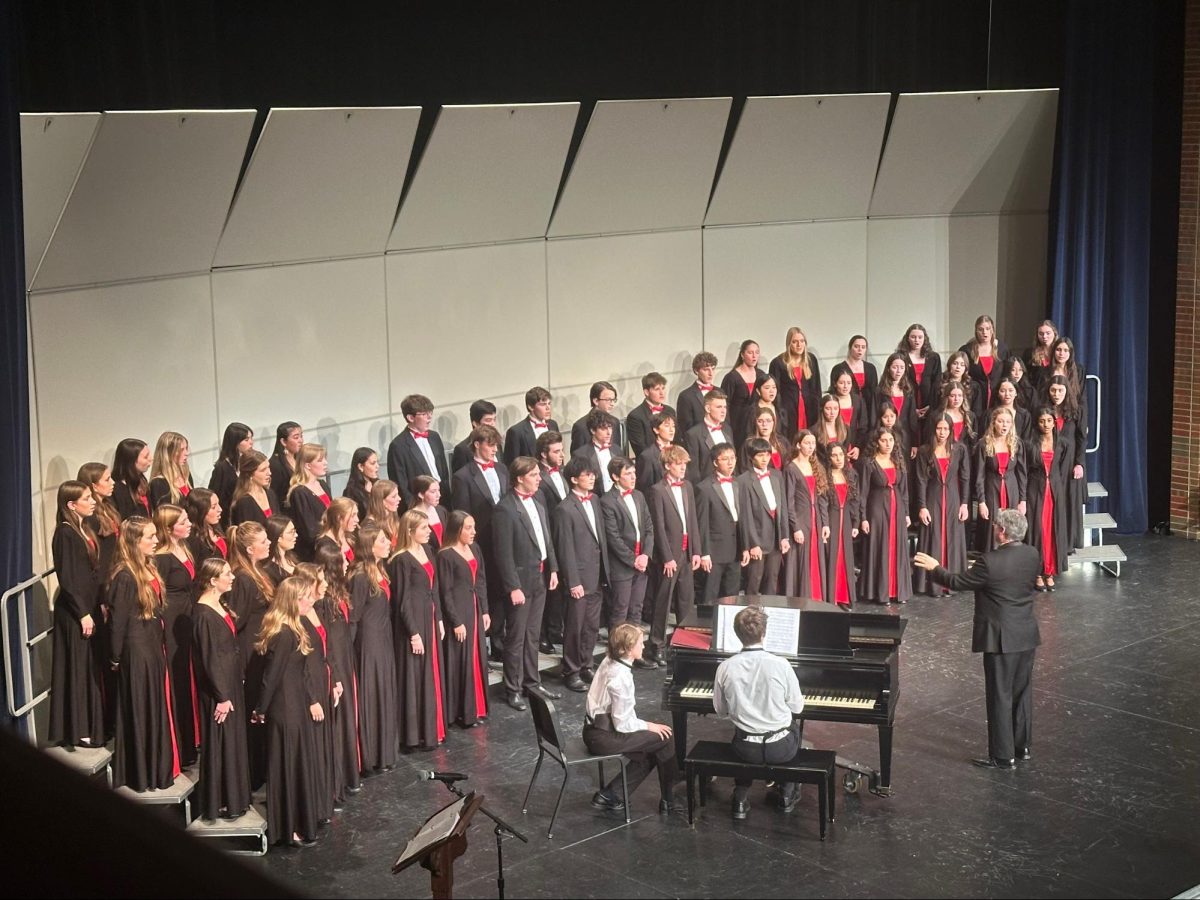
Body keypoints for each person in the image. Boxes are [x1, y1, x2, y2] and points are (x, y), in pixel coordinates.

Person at [914, 509, 1040, 769]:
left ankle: (1003, 756)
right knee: (1021, 692)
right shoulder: (1032, 554)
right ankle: (1022, 747)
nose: (993, 529)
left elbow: (957, 582)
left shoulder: (990, 561)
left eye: (995, 526)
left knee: (1000, 695)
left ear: (1002, 531)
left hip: (1001, 638)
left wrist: (935, 568)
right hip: (1026, 634)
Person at [108, 517, 180, 791]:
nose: (155, 540)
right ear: (134, 541)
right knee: (141, 707)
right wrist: (115, 656)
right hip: (136, 651)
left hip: (152, 646)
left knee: (155, 707)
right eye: (149, 537)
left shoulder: (148, 567)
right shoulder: (125, 576)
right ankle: (143, 773)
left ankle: (158, 769)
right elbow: (118, 622)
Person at [713, 606, 805, 820]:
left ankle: (740, 797)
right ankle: (787, 793)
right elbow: (797, 708)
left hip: (745, 749)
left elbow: (721, 711)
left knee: (740, 732)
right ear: (764, 633)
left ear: (737, 634)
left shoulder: (725, 667)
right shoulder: (781, 665)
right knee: (795, 729)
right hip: (781, 749)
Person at [253, 576, 323, 847]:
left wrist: (311, 699)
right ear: (293, 600)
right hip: (284, 709)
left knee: (296, 763)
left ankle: (298, 822)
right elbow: (271, 677)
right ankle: (288, 827)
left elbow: (301, 673)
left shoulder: (295, 628)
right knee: (287, 764)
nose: (310, 601)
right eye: (305, 597)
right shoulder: (282, 633)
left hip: (295, 705)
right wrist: (261, 709)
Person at [584, 623, 680, 814]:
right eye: (640, 643)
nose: (643, 646)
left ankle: (612, 794)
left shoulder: (609, 659)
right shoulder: (620, 678)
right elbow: (623, 724)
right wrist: (649, 725)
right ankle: (669, 800)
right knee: (665, 737)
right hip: (604, 736)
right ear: (627, 649)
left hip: (594, 730)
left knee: (654, 744)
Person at [492, 457, 561, 710]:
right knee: (517, 637)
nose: (539, 479)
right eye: (533, 475)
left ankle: (532, 682)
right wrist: (513, 587)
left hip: (539, 577)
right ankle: (513, 688)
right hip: (520, 582)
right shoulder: (505, 509)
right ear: (519, 478)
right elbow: (503, 553)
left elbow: (546, 540)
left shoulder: (538, 502)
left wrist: (553, 568)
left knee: (532, 635)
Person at [191, 558, 251, 822]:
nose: (232, 577)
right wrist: (222, 696)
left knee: (232, 741)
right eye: (227, 574)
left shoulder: (218, 604)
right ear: (213, 580)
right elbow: (209, 658)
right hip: (219, 690)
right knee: (220, 742)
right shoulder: (203, 614)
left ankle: (235, 799)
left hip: (229, 683)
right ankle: (220, 801)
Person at [48, 481, 104, 750]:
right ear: (71, 505)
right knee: (77, 667)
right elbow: (68, 577)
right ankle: (78, 729)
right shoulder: (65, 533)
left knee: (88, 666)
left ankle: (90, 724)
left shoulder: (84, 528)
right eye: (87, 498)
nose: (93, 501)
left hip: (89, 608)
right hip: (74, 613)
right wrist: (82, 613)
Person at [388, 510, 447, 750]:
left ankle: (433, 730)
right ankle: (415, 736)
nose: (429, 531)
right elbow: (402, 601)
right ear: (410, 531)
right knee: (415, 678)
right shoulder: (401, 560)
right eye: (423, 528)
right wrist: (413, 633)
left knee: (430, 675)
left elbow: (435, 589)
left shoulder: (428, 551)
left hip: (429, 619)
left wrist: (439, 618)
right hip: (413, 624)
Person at [551, 456, 610, 693]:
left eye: (593, 474)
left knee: (591, 626)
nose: (592, 477)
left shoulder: (594, 500)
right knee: (575, 627)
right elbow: (564, 548)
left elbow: (599, 538)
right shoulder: (564, 509)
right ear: (574, 479)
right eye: (587, 474)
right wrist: (572, 581)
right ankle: (571, 670)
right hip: (579, 578)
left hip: (596, 574)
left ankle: (586, 664)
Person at [451, 425, 508, 660]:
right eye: (490, 445)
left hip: (504, 541)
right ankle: (486, 644)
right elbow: (463, 515)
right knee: (487, 591)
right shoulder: (463, 476)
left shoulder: (502, 469)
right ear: (477, 444)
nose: (494, 450)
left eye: (496, 445)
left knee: (502, 591)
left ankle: (500, 641)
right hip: (481, 542)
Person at [347, 523, 398, 777]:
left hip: (383, 637)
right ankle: (371, 755)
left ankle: (384, 753)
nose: (388, 544)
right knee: (372, 693)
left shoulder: (380, 569)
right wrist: (349, 654)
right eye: (382, 541)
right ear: (369, 546)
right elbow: (353, 617)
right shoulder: (359, 576)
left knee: (384, 692)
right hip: (368, 643)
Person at [644, 446, 701, 666]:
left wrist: (696, 551)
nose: (683, 467)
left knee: (686, 599)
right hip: (668, 555)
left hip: (686, 552)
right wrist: (667, 557)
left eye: (685, 463)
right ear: (668, 465)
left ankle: (684, 642)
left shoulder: (687, 486)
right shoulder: (657, 490)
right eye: (679, 464)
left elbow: (692, 521)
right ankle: (656, 645)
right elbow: (658, 526)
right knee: (663, 601)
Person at [152, 504, 198, 767]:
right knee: (177, 679)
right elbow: (158, 596)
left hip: (186, 620)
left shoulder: (184, 548)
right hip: (171, 623)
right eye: (183, 522)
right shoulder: (162, 558)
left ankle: (192, 741)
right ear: (169, 529)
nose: (189, 524)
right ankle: (181, 746)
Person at [437, 511, 491, 728]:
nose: (473, 532)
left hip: (474, 610)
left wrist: (485, 610)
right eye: (468, 528)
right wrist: (456, 621)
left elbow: (481, 581)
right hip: (459, 613)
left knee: (476, 657)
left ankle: (478, 708)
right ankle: (463, 712)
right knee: (462, 660)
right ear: (457, 529)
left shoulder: (475, 548)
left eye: (473, 527)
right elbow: (445, 592)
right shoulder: (445, 556)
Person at [600, 457, 654, 647]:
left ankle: (634, 650)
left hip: (642, 562)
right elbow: (613, 537)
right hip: (622, 565)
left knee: (636, 609)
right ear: (615, 477)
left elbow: (649, 528)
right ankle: (616, 651)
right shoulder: (607, 501)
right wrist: (633, 560)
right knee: (620, 611)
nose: (633, 477)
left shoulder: (639, 495)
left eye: (634, 473)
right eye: (628, 474)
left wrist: (646, 555)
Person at [913, 417, 970, 597]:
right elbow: (920, 480)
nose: (942, 432)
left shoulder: (959, 449)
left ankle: (951, 582)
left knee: (953, 537)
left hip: (953, 499)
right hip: (933, 498)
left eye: (946, 429)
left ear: (951, 430)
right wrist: (922, 506)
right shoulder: (924, 451)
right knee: (933, 536)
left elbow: (965, 477)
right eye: (939, 428)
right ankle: (933, 585)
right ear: (933, 429)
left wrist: (964, 503)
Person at [858, 428, 912, 605]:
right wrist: (863, 517)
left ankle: (897, 591)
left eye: (890, 440)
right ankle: (881, 592)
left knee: (897, 548)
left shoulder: (898, 460)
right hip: (877, 510)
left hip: (897, 509)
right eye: (883, 440)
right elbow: (862, 492)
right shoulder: (869, 463)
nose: (888, 444)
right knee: (880, 547)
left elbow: (904, 490)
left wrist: (906, 513)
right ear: (876, 442)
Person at [1024, 408, 1071, 591]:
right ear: (1037, 423)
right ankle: (1037, 573)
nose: (1046, 424)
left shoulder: (1063, 443)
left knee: (1052, 531)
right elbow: (1026, 470)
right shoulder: (1029, 444)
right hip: (1035, 491)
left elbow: (1063, 471)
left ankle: (1050, 572)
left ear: (1054, 422)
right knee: (1037, 530)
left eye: (1049, 420)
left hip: (1055, 492)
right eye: (1042, 421)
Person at [694, 443, 745, 604]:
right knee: (711, 594)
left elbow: (743, 518)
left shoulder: (738, 483)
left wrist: (746, 546)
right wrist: (704, 553)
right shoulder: (704, 488)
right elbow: (701, 523)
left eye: (733, 458)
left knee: (732, 594)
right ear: (715, 462)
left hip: (735, 549)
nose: (730, 462)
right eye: (725, 459)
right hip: (714, 551)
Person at [738, 438, 789, 595]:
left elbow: (783, 508)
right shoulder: (744, 480)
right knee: (754, 581)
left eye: (767, 454)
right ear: (751, 457)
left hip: (776, 538)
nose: (765, 458)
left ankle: (769, 610)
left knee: (771, 581)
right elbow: (745, 516)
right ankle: (751, 611)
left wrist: (784, 536)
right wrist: (752, 543)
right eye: (760, 455)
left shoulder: (777, 475)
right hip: (758, 540)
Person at [388, 394, 451, 508]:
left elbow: (443, 471)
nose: (429, 417)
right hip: (420, 504)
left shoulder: (434, 437)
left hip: (442, 499)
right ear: (410, 418)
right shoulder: (398, 445)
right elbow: (401, 484)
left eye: (430, 412)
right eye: (424, 414)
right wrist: (414, 509)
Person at [771, 327, 823, 441]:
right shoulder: (778, 362)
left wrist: (818, 409)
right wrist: (780, 412)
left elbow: (816, 387)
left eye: (802, 341)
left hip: (809, 408)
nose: (799, 345)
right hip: (788, 409)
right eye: (795, 342)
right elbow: (775, 391)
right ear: (789, 344)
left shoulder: (811, 359)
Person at [288, 443, 333, 561]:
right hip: (314, 552)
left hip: (331, 542)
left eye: (325, 459)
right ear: (308, 465)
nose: (325, 463)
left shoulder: (322, 484)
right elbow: (309, 530)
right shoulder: (299, 492)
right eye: (320, 460)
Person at [721, 339, 768, 443]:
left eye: (757, 352)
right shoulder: (731, 377)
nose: (754, 356)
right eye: (750, 353)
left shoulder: (761, 375)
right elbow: (725, 403)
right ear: (742, 355)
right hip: (737, 425)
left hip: (757, 424)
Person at [683, 389, 734, 483]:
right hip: (706, 486)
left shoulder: (727, 429)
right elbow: (693, 471)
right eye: (719, 407)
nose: (723, 411)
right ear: (707, 409)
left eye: (725, 407)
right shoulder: (693, 434)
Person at [208, 423, 253, 528]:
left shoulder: (247, 462)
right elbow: (217, 497)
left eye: (251, 438)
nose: (251, 442)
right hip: (230, 522)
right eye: (246, 440)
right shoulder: (222, 468)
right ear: (235, 443)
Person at [504, 386, 560, 465]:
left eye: (549, 403)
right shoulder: (516, 432)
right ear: (530, 407)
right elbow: (512, 465)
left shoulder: (553, 424)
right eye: (543, 404)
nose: (548, 408)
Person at [825, 334, 872, 425]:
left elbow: (873, 392)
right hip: (846, 404)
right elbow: (833, 391)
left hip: (866, 407)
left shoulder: (870, 368)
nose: (860, 350)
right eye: (856, 346)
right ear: (850, 348)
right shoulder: (838, 368)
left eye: (863, 347)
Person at [627, 372, 676, 458]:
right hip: (650, 461)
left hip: (672, 459)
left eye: (663, 388)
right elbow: (640, 448)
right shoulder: (635, 416)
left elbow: (676, 439)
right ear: (646, 392)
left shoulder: (670, 411)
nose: (662, 393)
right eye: (657, 389)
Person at [898, 324, 942, 419]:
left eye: (920, 337)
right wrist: (911, 408)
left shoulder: (933, 357)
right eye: (913, 337)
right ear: (907, 338)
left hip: (929, 405)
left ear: (925, 338)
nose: (916, 340)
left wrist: (930, 406)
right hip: (907, 405)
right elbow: (899, 383)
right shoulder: (901, 357)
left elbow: (937, 383)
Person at [570, 381, 626, 455]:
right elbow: (576, 457)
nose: (612, 404)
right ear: (596, 401)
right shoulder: (581, 426)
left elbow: (617, 452)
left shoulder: (615, 422)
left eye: (613, 400)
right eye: (608, 400)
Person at [230, 450, 278, 528]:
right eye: (263, 470)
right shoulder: (244, 503)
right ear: (250, 474)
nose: (269, 473)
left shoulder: (270, 494)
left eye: (268, 467)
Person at [147, 431, 193, 510]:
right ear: (168, 453)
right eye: (181, 450)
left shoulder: (186, 476)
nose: (186, 453)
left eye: (186, 448)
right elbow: (163, 514)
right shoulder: (158, 483)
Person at [675, 351, 719, 435]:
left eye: (713, 369)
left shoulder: (720, 391)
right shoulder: (686, 396)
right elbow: (685, 429)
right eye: (706, 369)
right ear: (696, 371)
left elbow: (726, 420)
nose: (711, 373)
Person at [450, 400, 499, 474]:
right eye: (488, 420)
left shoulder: (497, 443)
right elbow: (460, 478)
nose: (493, 424)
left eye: (494, 419)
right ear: (475, 423)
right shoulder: (462, 450)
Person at [111, 437, 152, 520]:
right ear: (131, 460)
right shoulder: (117, 489)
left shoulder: (142, 481)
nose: (151, 459)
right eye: (145, 457)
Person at [268, 422, 304, 513]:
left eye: (301, 436)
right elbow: (275, 495)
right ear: (283, 441)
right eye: (296, 437)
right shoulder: (275, 464)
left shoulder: (300, 458)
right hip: (288, 511)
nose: (301, 440)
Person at [635, 412, 675, 494]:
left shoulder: (678, 451)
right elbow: (645, 488)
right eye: (667, 426)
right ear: (656, 430)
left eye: (673, 426)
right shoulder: (647, 456)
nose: (672, 430)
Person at [342, 447, 379, 521]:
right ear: (361, 466)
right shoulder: (351, 491)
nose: (377, 466)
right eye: (373, 463)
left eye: (377, 462)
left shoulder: (378, 484)